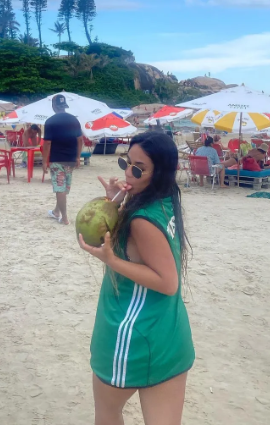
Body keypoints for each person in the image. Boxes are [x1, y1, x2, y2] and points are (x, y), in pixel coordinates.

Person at [78, 132, 195, 425]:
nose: (129, 173)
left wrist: (112, 260)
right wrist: (114, 201)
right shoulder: (166, 200)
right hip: (168, 332)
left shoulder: (141, 221)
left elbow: (167, 282)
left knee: (107, 415)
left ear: (159, 173)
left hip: (130, 336)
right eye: (126, 163)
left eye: (139, 169)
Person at [42, 94, 83, 225]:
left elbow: (47, 143)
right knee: (63, 188)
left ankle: (64, 218)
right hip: (71, 159)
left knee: (60, 189)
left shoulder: (50, 121)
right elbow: (80, 140)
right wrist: (78, 157)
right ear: (65, 105)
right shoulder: (74, 120)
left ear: (54, 106)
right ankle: (56, 211)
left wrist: (44, 161)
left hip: (57, 159)